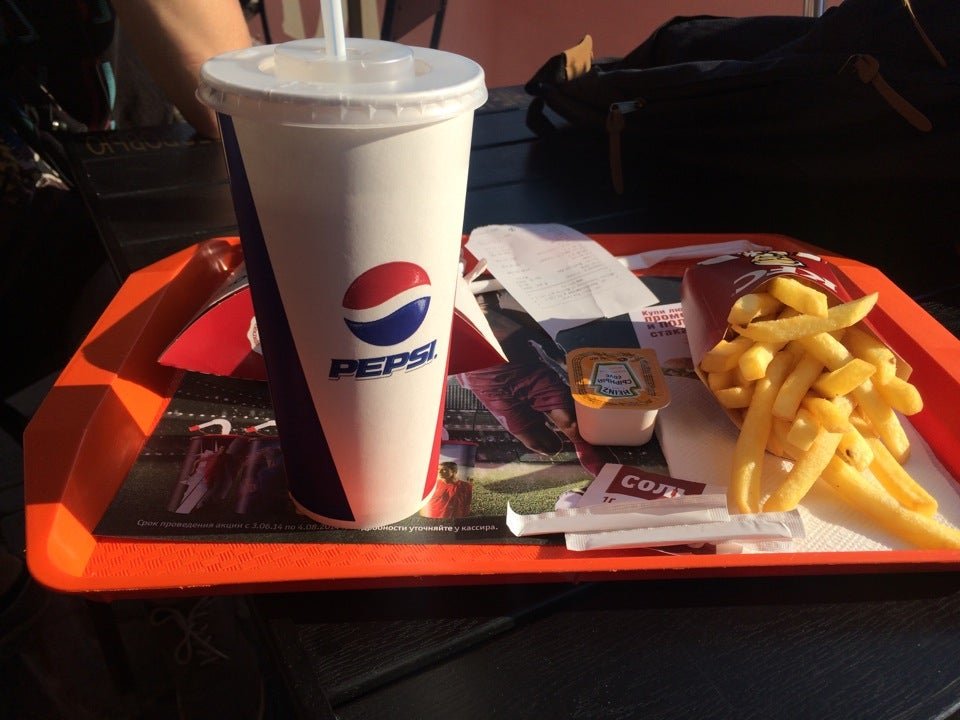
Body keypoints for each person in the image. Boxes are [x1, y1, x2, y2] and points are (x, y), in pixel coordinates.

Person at [1, 3, 260, 718]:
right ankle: (163, 586)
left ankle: (182, 572)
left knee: (199, 299)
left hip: (128, 161)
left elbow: (226, 98)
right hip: (32, 214)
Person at [458, 291, 610, 476]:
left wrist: (567, 364)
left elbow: (551, 346)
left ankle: (607, 475)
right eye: (479, 296)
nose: (483, 299)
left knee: (573, 425)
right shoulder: (450, 321)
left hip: (530, 373)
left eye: (488, 295)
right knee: (544, 446)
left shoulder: (516, 317)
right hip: (489, 387)